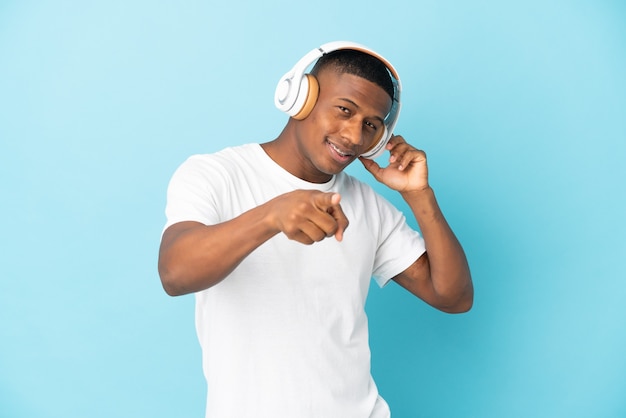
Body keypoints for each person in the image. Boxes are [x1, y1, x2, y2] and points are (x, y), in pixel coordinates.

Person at [158, 41, 473, 418]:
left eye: (371, 126)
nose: (354, 136)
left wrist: (420, 196)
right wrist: (272, 215)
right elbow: (175, 273)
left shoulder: (368, 206)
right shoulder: (215, 174)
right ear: (300, 98)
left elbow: (453, 297)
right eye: (344, 110)